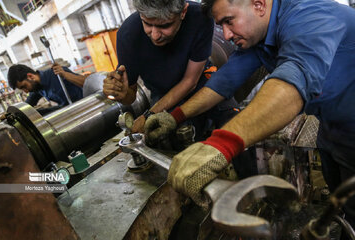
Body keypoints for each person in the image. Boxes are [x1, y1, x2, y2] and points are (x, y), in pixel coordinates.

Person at [145, 0, 355, 234]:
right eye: (220, 25)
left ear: (258, 5)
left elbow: (294, 80)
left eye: (228, 21)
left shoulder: (309, 16)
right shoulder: (261, 37)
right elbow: (224, 82)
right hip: (331, 127)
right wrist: (175, 116)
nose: (225, 33)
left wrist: (221, 145)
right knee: (341, 202)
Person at [102, 0, 238, 137]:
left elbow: (190, 81)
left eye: (165, 25)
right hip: (162, 96)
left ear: (183, 12)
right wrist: (120, 92)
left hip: (203, 82)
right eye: (147, 23)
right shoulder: (128, 35)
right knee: (165, 141)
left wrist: (150, 114)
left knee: (233, 124)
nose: (155, 35)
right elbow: (130, 97)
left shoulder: (200, 17)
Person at [8, 63, 83, 113]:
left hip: (84, 107)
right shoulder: (36, 87)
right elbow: (27, 105)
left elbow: (85, 82)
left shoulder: (56, 74)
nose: (26, 91)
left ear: (30, 76)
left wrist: (65, 74)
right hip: (69, 110)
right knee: (39, 113)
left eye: (24, 86)